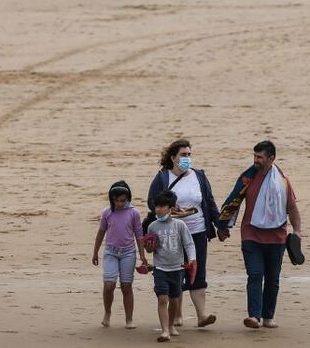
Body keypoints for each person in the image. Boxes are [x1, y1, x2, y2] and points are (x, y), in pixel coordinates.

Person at [217, 140, 302, 330]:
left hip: (277, 237)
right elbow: (234, 200)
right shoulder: (247, 178)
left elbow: (292, 208)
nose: (255, 160)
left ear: (271, 158)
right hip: (251, 235)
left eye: (260, 157)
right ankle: (254, 316)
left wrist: (297, 231)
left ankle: (268, 316)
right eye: (254, 156)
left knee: (273, 279)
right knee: (255, 274)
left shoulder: (283, 181)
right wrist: (222, 226)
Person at [147, 140, 220, 329]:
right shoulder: (163, 178)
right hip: (172, 231)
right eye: (183, 155)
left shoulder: (199, 176)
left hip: (197, 230)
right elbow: (152, 201)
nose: (187, 158)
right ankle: (176, 314)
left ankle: (202, 315)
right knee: (176, 271)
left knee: (198, 270)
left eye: (189, 154)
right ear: (173, 158)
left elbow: (209, 202)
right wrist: (172, 209)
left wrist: (221, 225)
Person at [92, 181, 149, 330]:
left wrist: (142, 255)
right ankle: (107, 312)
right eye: (116, 200)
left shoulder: (134, 213)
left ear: (128, 198)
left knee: (126, 285)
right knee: (109, 284)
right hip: (110, 251)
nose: (119, 203)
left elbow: (139, 235)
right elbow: (100, 233)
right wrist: (95, 252)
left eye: (123, 200)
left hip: (128, 252)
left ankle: (129, 319)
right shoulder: (107, 212)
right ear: (111, 199)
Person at [147, 190, 197, 343]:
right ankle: (165, 331)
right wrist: (148, 248)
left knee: (174, 300)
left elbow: (188, 244)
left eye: (162, 206)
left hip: (177, 268)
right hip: (160, 268)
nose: (158, 209)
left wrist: (193, 260)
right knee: (162, 299)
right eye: (157, 206)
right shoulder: (152, 226)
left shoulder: (180, 225)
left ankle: (171, 325)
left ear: (171, 208)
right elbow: (149, 248)